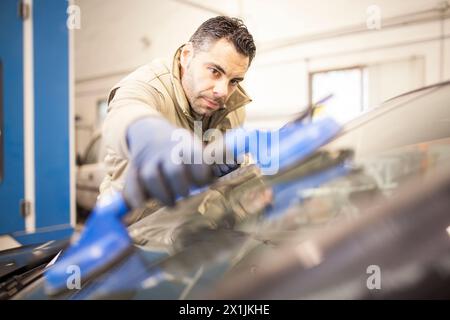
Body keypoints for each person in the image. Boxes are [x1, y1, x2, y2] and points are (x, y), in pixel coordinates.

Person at [99, 16, 257, 220]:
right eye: (215, 71)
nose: (222, 91)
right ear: (186, 55)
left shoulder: (232, 104)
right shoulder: (149, 85)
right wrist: (150, 137)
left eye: (234, 80)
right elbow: (125, 111)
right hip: (127, 234)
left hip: (186, 231)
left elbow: (237, 186)